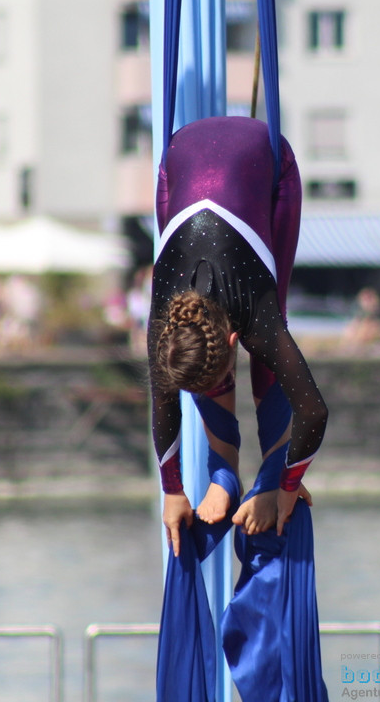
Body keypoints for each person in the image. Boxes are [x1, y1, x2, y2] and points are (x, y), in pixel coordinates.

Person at [149, 115, 328, 553]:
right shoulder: (163, 328)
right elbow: (163, 405)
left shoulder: (257, 315)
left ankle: (261, 475)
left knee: (273, 351)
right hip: (178, 159)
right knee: (194, 373)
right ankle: (224, 474)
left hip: (267, 157)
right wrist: (172, 491)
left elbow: (314, 411)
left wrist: (285, 486)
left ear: (234, 343)